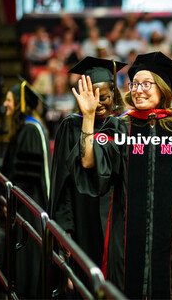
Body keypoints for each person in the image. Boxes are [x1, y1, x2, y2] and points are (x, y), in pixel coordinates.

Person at [70, 51, 172, 299]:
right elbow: (90, 161)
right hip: (127, 242)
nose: (138, 90)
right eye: (135, 84)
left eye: (146, 84)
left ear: (163, 88)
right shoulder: (119, 127)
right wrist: (89, 117)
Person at [49, 57, 127, 273]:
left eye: (104, 97)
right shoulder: (70, 126)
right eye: (92, 97)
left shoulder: (120, 127)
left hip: (116, 219)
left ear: (114, 94)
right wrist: (65, 227)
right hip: (82, 216)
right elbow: (62, 182)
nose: (98, 103)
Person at [0, 80, 50, 298]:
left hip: (30, 205)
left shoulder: (31, 129)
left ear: (20, 104)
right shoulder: (25, 129)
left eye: (9, 100)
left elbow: (28, 173)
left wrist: (11, 200)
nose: (5, 104)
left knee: (28, 263)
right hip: (22, 205)